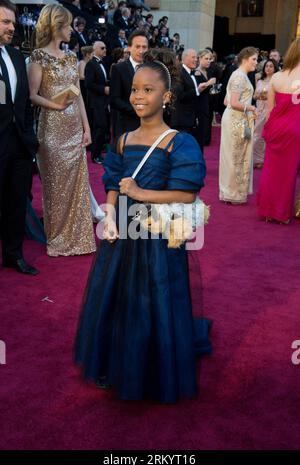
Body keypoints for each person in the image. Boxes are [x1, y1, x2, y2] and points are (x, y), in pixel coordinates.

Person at [75, 49, 212, 403]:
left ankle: (154, 367)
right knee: (118, 298)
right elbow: (112, 179)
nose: (138, 96)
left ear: (166, 97)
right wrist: (108, 214)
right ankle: (114, 362)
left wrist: (141, 192)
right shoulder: (122, 139)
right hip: (122, 233)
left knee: (156, 298)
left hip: (157, 237)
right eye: (135, 89)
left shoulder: (180, 142)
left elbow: (185, 194)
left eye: (148, 90)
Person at [27, 4, 96, 257]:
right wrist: (54, 104)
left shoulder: (70, 57)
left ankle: (78, 238)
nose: (71, 30)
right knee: (56, 186)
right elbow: (32, 95)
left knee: (77, 184)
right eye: (68, 25)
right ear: (56, 26)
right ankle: (57, 238)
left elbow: (77, 96)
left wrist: (87, 128)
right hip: (52, 129)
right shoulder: (38, 57)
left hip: (74, 128)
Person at [0, 0, 39, 275]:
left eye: (12, 22)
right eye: (5, 22)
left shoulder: (15, 56)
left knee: (16, 202)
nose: (12, 28)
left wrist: (29, 138)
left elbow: (23, 101)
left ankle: (13, 254)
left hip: (19, 144)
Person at [257, 39, 300, 224]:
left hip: (276, 129)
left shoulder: (277, 77)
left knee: (271, 170)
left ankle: (268, 211)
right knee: (288, 173)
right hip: (295, 130)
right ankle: (282, 213)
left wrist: (269, 130)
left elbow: (269, 110)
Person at [219, 47, 258, 204]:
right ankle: (233, 193)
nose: (256, 62)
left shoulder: (239, 75)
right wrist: (251, 107)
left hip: (235, 118)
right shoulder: (240, 77)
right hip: (237, 121)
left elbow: (226, 101)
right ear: (245, 59)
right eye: (254, 59)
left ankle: (230, 191)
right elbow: (233, 103)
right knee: (236, 156)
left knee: (233, 155)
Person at [110, 30, 148, 140]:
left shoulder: (152, 69)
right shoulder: (119, 68)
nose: (141, 51)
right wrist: (136, 110)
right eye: (137, 47)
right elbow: (114, 99)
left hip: (148, 125)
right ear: (129, 48)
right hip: (127, 125)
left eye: (144, 47)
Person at [252, 59, 278, 168]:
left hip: (270, 110)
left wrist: (268, 96)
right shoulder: (259, 81)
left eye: (271, 66)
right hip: (259, 111)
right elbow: (254, 96)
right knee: (256, 136)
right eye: (266, 66)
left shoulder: (276, 81)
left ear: (275, 68)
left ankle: (265, 160)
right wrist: (258, 96)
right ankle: (256, 159)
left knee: (267, 136)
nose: (268, 68)